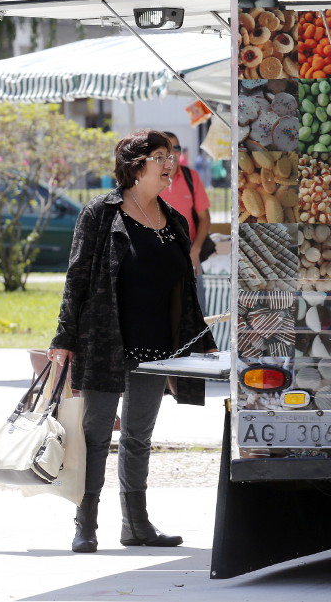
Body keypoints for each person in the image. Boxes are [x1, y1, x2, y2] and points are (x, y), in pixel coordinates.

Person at [47, 129, 216, 554]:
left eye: (172, 155)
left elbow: (185, 289)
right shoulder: (101, 214)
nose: (170, 163)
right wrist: (64, 338)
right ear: (134, 164)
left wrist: (203, 342)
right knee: (96, 435)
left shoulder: (174, 221)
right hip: (106, 341)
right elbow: (77, 280)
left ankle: (136, 525)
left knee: (139, 437)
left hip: (157, 349)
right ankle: (85, 523)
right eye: (160, 155)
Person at [159, 131, 213, 271]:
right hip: (158, 260)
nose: (172, 154)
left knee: (197, 293)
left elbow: (205, 218)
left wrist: (195, 250)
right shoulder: (148, 180)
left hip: (190, 259)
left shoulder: (191, 177)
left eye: (176, 149)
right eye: (166, 150)